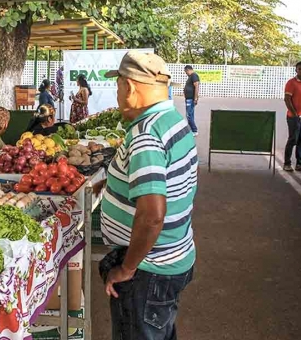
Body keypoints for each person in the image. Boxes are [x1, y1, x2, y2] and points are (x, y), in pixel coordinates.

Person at [95, 51, 197, 340]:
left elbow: (152, 215)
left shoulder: (146, 135)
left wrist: (126, 268)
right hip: (173, 257)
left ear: (129, 87)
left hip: (148, 270)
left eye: (117, 87)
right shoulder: (173, 121)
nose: (117, 95)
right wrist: (113, 187)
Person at [183, 65, 200, 136]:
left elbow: (196, 86)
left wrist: (195, 98)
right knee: (190, 115)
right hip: (188, 99)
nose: (186, 73)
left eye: (186, 72)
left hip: (191, 99)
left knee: (189, 115)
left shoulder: (194, 75)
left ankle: (194, 130)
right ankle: (192, 130)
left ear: (188, 70)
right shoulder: (191, 76)